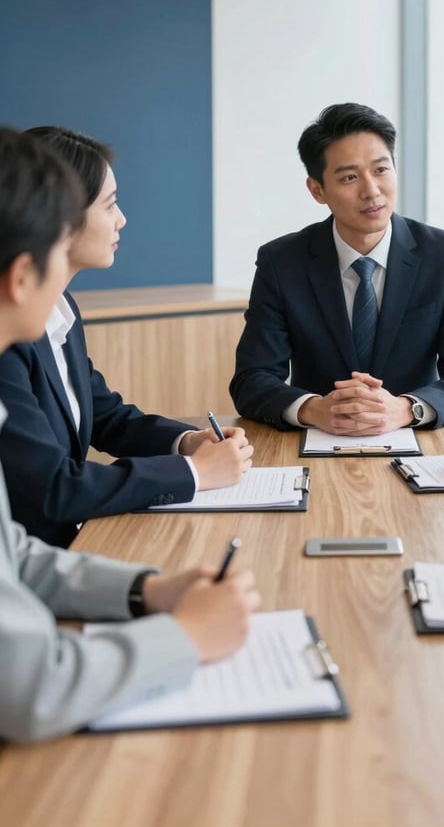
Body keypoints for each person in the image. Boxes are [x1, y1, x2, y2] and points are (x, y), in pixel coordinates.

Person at [0, 127, 260, 743]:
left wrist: (149, 590)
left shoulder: (57, 316)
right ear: (21, 275)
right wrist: (188, 637)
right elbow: (31, 689)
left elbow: (13, 555)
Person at [0, 127, 253, 547]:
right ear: (62, 217)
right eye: (110, 205)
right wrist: (195, 474)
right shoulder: (11, 339)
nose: (122, 219)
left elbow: (104, 415)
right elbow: (52, 487)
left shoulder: (61, 310)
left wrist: (187, 443)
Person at [230, 103, 444, 434]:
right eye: (350, 177)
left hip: (417, 443)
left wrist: (406, 408)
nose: (371, 191)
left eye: (381, 170)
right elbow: (251, 380)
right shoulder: (282, 262)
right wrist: (313, 409)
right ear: (317, 190)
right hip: (319, 440)